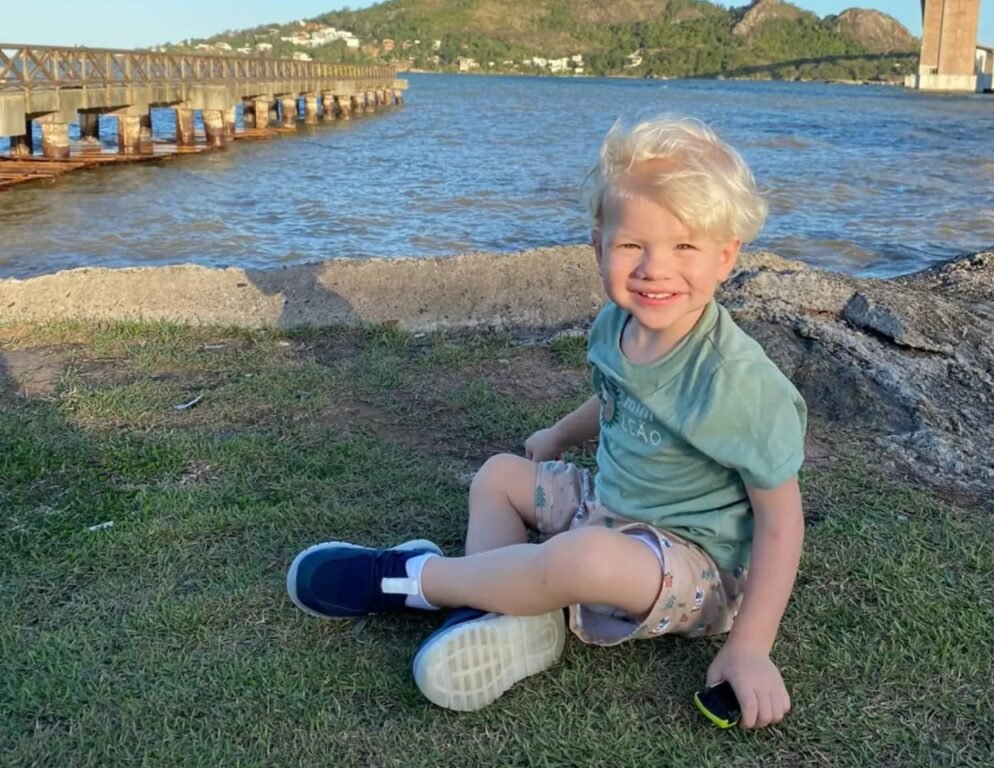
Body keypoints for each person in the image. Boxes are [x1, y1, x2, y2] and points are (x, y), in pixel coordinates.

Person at [286, 116, 807, 729]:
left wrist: (751, 647)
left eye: (684, 247)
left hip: (692, 566)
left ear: (726, 257)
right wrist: (560, 435)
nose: (655, 268)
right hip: (610, 510)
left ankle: (416, 580)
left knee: (581, 559)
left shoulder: (737, 383)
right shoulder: (617, 325)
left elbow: (781, 521)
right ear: (598, 248)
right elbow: (617, 399)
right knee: (499, 476)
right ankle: (501, 620)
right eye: (633, 246)